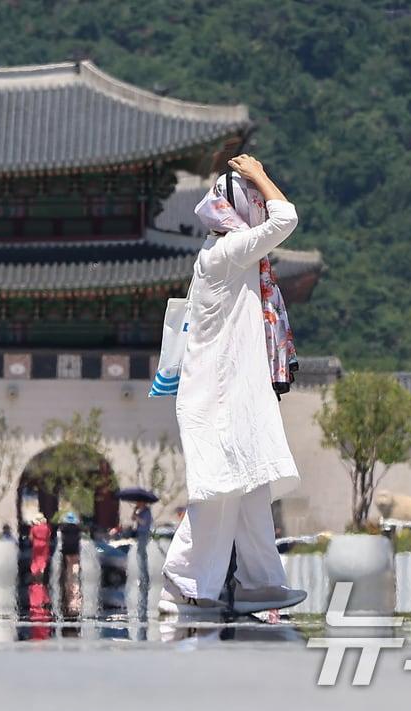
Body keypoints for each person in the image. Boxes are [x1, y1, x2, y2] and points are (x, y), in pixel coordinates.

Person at [160, 153, 306, 615]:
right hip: (219, 396)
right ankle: (183, 582)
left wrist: (256, 179)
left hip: (233, 392)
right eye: (253, 200)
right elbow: (288, 217)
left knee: (250, 489)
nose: (261, 206)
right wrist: (262, 175)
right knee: (219, 490)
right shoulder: (228, 252)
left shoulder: (227, 252)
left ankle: (260, 585)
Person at [58, 512, 83, 618]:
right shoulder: (77, 528)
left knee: (67, 573)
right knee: (75, 572)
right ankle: (76, 600)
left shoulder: (63, 529)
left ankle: (68, 597)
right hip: (75, 551)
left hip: (66, 551)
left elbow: (60, 537)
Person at [132, 502, 154, 592]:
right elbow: (133, 519)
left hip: (144, 535)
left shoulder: (147, 512)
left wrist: (137, 517)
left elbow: (144, 522)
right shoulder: (140, 511)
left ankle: (145, 580)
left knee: (142, 557)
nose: (137, 503)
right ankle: (142, 579)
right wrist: (134, 512)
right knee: (140, 557)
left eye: (139, 502)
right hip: (140, 534)